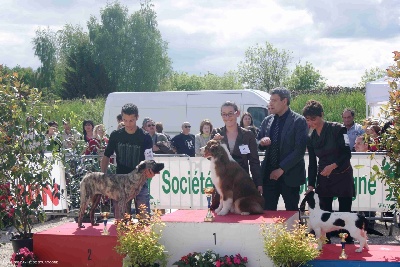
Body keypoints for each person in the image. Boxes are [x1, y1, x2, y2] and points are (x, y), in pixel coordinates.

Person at [303, 100, 355, 243]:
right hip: (324, 178)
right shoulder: (311, 138)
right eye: (308, 120)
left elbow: (346, 154)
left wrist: (332, 166)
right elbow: (312, 164)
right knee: (325, 213)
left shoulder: (338, 129)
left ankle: (347, 242)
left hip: (342, 175)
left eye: (314, 119)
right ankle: (325, 242)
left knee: (345, 212)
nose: (312, 122)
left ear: (322, 115)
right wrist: (311, 185)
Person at [257, 87, 308, 211]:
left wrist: (281, 169)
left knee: (292, 214)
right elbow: (256, 140)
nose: (270, 104)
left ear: (284, 101)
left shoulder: (299, 121)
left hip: (290, 176)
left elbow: (299, 151)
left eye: (274, 100)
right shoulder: (267, 120)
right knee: (268, 213)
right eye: (270, 100)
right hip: (269, 176)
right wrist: (261, 142)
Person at [101, 103, 155, 217]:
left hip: (140, 180)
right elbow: (106, 156)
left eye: (131, 120)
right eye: (125, 120)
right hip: (121, 181)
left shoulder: (145, 136)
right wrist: (103, 175)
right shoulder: (116, 135)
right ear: (122, 118)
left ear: (137, 118)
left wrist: (150, 172)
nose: (128, 124)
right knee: (121, 219)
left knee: (144, 217)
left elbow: (149, 159)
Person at [211, 101, 262, 193]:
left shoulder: (248, 135)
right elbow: (210, 158)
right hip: (222, 184)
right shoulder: (216, 133)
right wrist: (214, 143)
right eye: (224, 114)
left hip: (242, 182)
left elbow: (254, 161)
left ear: (237, 113)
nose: (227, 117)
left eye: (230, 114)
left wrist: (258, 183)